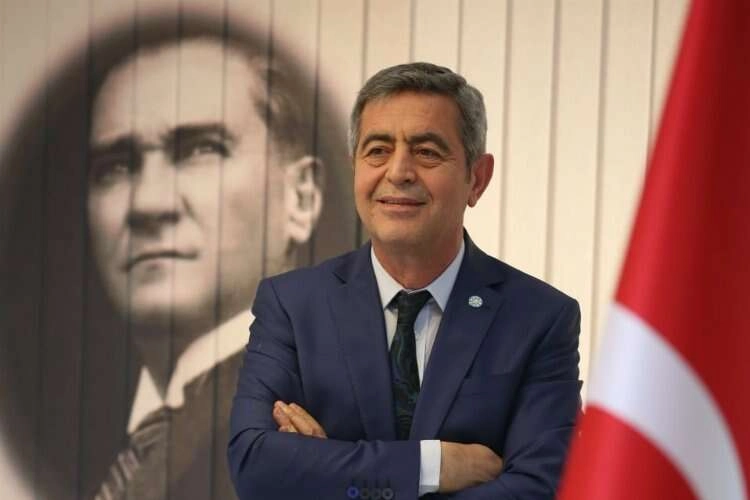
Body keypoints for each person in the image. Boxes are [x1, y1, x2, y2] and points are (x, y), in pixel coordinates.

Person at [0, 13, 352, 500]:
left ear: (301, 199)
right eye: (115, 167)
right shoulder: (65, 446)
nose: (148, 204)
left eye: (201, 149)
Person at [228, 62, 582, 499]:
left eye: (427, 152)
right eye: (377, 150)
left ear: (477, 178)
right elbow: (256, 466)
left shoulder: (540, 318)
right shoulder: (292, 305)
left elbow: (538, 488)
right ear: (355, 169)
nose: (398, 172)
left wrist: (328, 472)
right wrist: (431, 466)